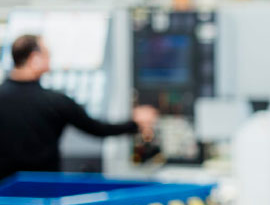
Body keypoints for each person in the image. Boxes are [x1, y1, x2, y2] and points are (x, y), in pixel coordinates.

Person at [0, 33, 157, 180]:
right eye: (47, 54)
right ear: (35, 58)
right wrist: (135, 124)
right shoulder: (55, 102)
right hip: (43, 192)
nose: (50, 59)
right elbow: (97, 129)